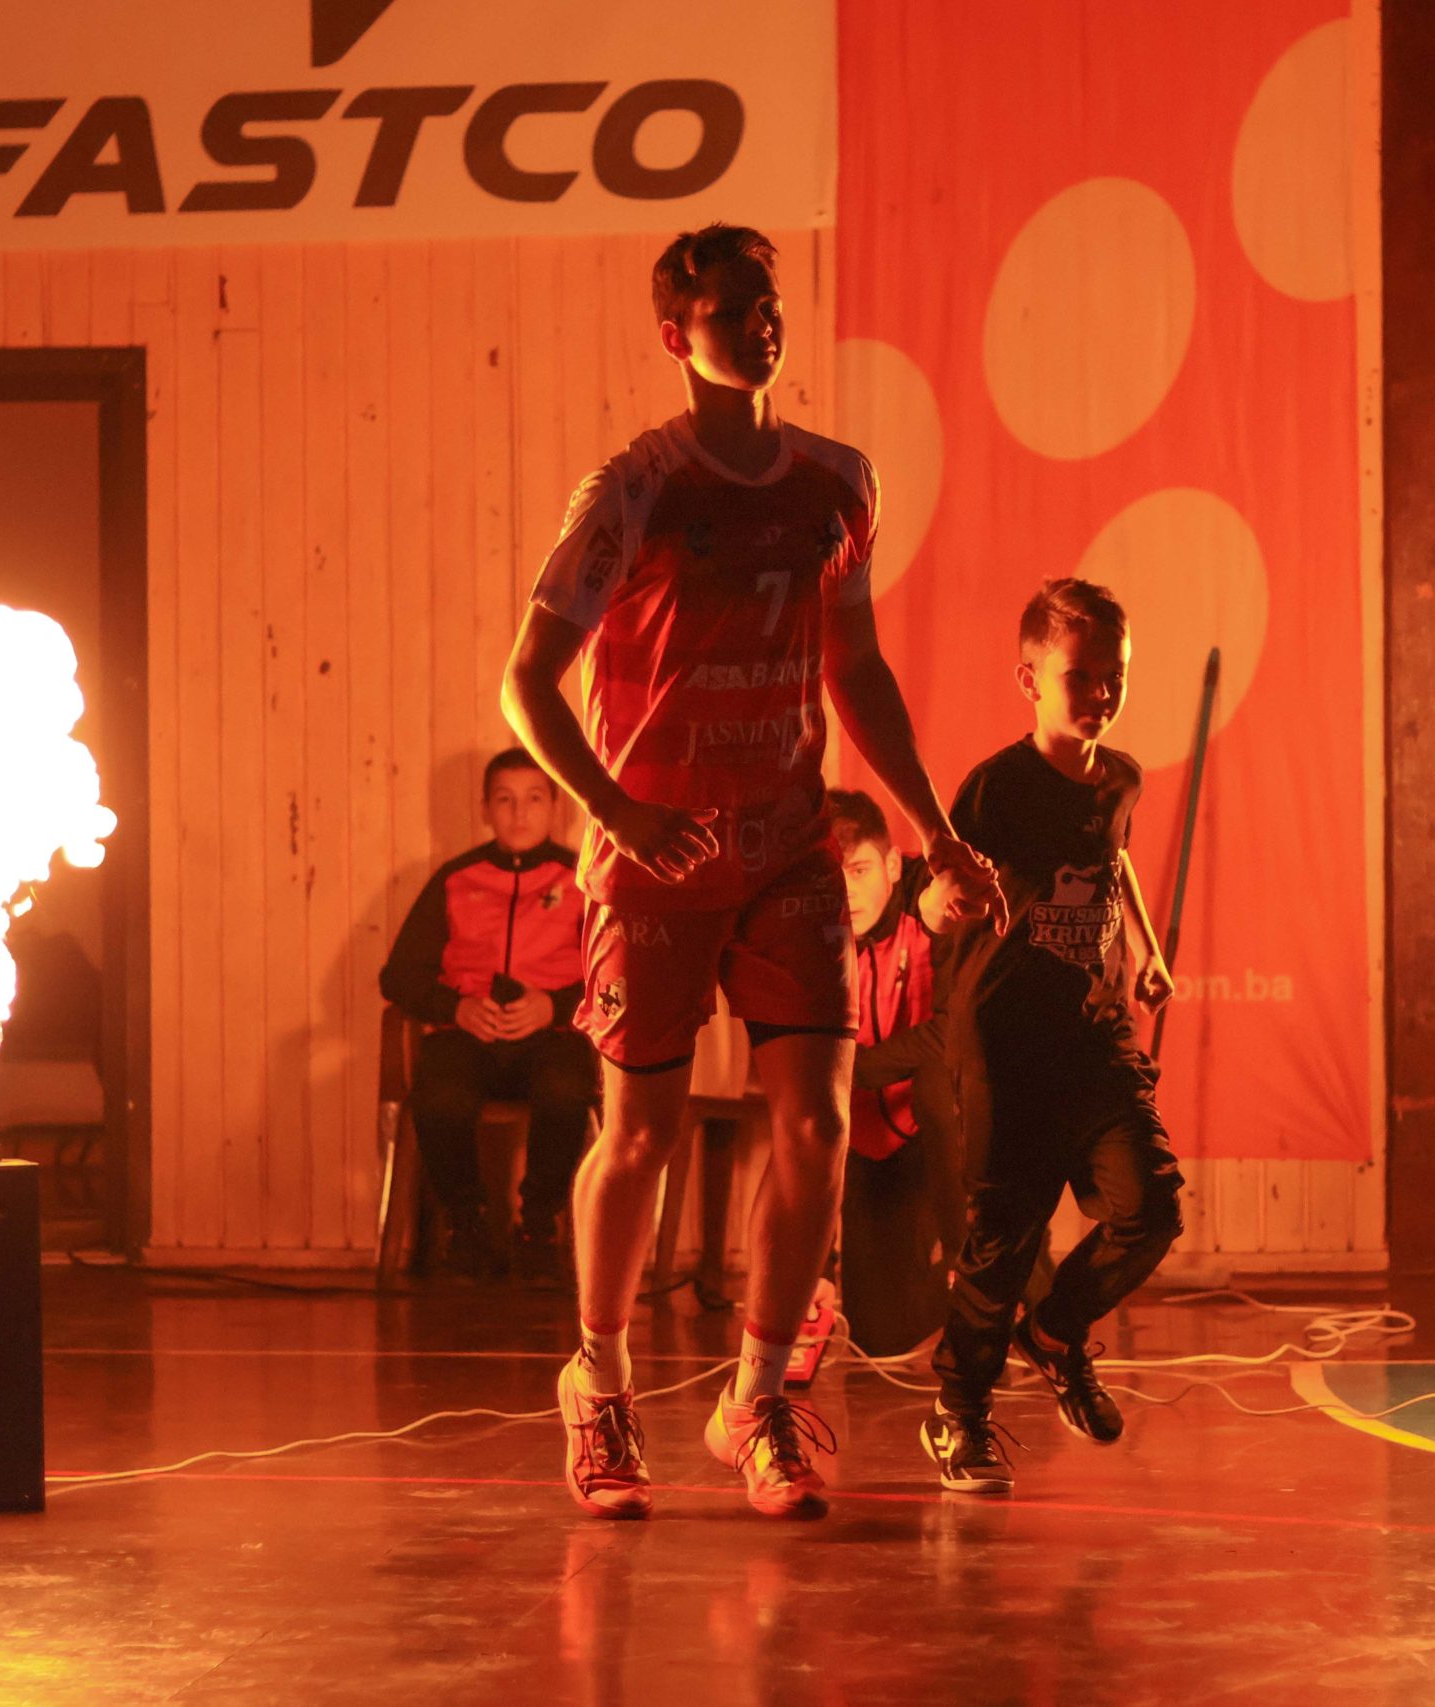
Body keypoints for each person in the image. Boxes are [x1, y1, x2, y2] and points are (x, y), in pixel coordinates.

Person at [501, 222, 1003, 1521]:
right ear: (678, 335)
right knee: (642, 1133)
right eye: (730, 309)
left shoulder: (838, 483)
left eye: (768, 303)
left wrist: (933, 825)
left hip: (786, 850)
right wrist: (616, 808)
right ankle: (599, 1380)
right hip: (656, 862)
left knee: (818, 1124)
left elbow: (856, 666)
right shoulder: (634, 489)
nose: (759, 324)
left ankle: (759, 1398)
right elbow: (526, 684)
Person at [921, 578, 1184, 1498]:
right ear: (1030, 679)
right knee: (1003, 1242)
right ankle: (959, 1410)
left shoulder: (1121, 778)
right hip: (1005, 1044)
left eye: (1116, 675)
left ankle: (1057, 1333)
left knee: (1151, 1207)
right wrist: (941, 900)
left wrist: (1144, 947)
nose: (1102, 693)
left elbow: (1114, 859)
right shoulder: (996, 787)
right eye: (1082, 677)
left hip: (1093, 1036)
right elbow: (934, 887)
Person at [379, 747, 596, 1281]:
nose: (519, 813)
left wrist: (553, 1006)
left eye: (534, 799)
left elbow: (617, 975)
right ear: (485, 810)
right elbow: (399, 975)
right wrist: (457, 1007)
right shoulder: (457, 878)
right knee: (439, 1094)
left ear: (556, 809)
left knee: (566, 1088)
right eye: (505, 800)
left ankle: (539, 1228)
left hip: (551, 1036)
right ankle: (466, 1227)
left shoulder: (582, 880)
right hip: (466, 1035)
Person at [813, 787, 966, 1363]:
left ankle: (991, 1272)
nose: (847, 890)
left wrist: (849, 1069)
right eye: (833, 873)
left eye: (859, 870)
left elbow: (949, 1036)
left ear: (893, 865)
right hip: (866, 1144)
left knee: (940, 1083)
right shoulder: (807, 936)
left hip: (939, 1131)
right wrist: (818, 1265)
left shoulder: (938, 910)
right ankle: (962, 1296)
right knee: (878, 1340)